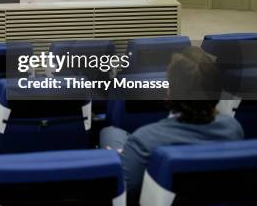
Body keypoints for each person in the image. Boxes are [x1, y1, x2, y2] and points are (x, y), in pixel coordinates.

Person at [100, 46, 244, 204]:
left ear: (170, 91)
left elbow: (123, 192)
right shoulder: (233, 129)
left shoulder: (144, 139)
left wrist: (121, 157)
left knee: (110, 133)